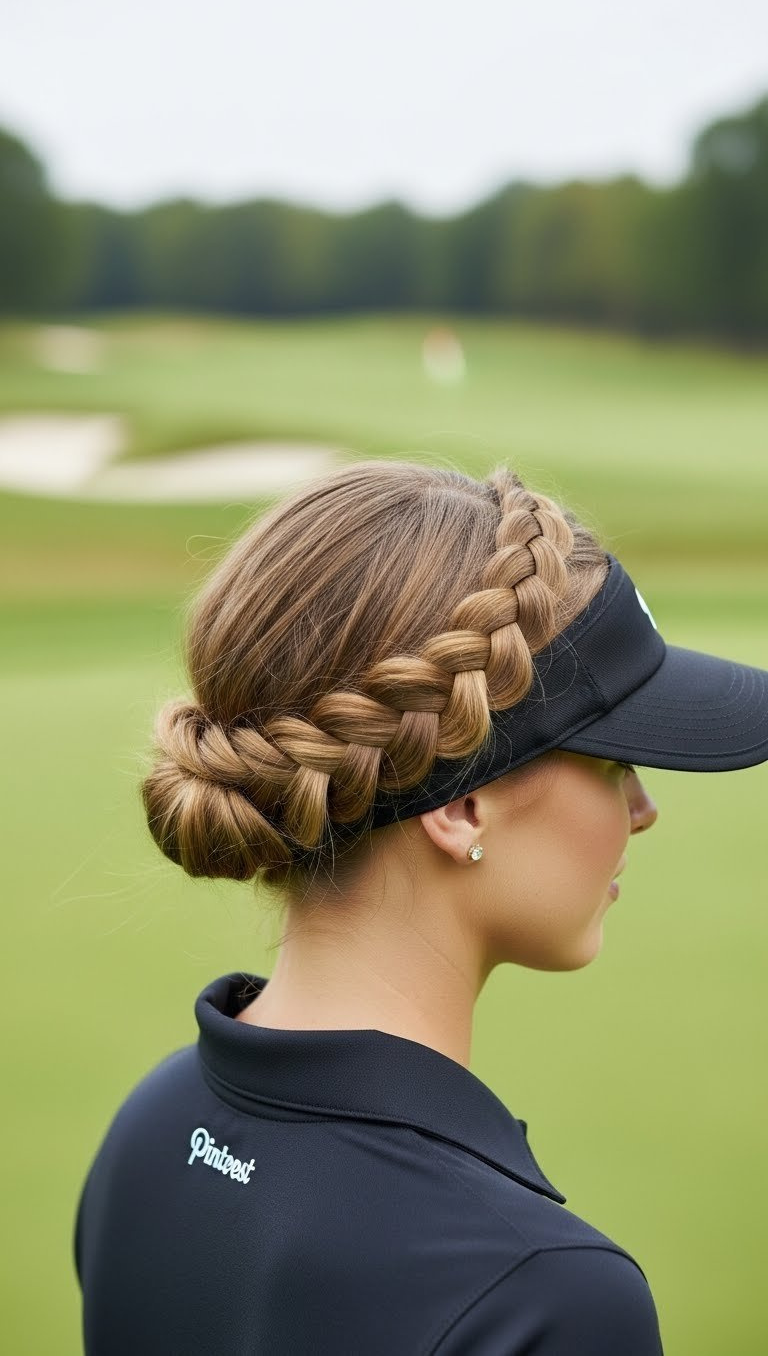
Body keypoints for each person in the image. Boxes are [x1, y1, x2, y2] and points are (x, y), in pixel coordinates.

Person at [73, 460, 768, 1354]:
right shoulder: (545, 1296)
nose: (642, 808)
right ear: (460, 802)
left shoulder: (152, 1127)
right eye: (611, 761)